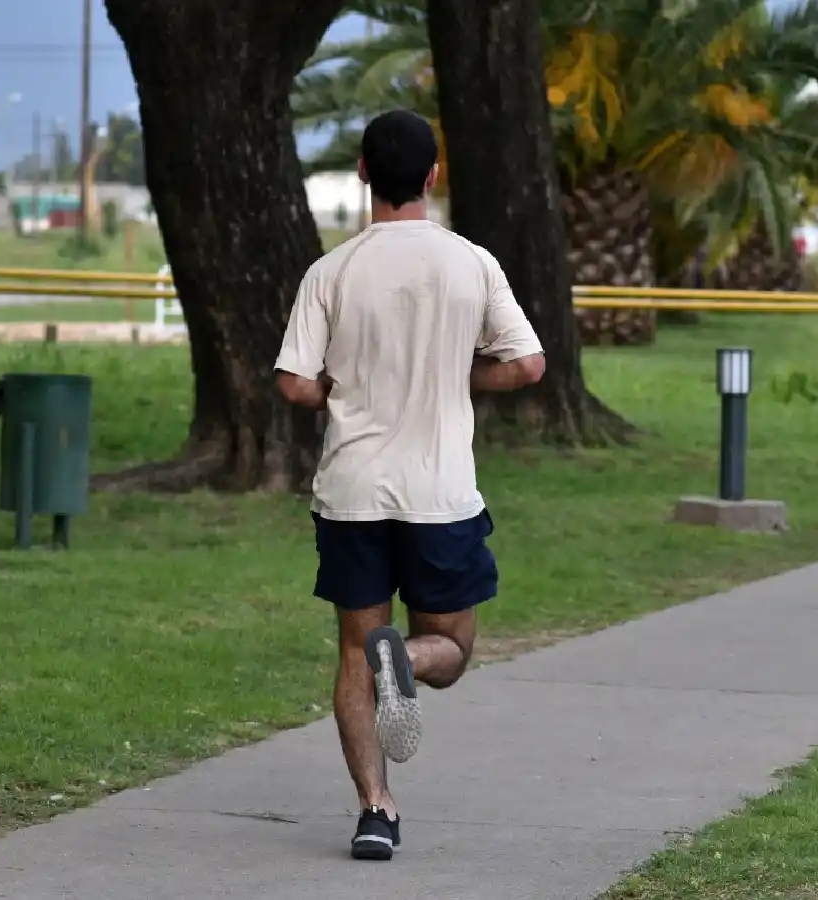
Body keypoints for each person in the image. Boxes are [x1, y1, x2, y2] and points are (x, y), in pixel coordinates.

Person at [273, 109, 545, 861]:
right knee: (451, 648)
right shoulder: (470, 263)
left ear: (363, 171)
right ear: (432, 176)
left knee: (353, 655)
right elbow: (527, 365)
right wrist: (463, 374)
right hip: (441, 496)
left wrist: (336, 390)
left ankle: (375, 810)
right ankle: (411, 659)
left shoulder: (332, 271)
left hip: (353, 492)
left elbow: (294, 385)